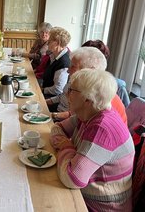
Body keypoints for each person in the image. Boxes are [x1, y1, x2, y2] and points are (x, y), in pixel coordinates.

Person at [50, 69, 134, 211]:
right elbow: (56, 129)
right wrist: (69, 150)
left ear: (87, 99)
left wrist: (66, 146)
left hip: (99, 208)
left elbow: (71, 179)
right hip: (82, 197)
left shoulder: (102, 128)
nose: (66, 93)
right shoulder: (87, 114)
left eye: (71, 90)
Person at [42, 27, 71, 98]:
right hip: (45, 91)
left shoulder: (64, 62)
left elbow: (58, 89)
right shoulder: (53, 55)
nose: (47, 43)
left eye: (50, 40)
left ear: (58, 43)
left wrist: (42, 90)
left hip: (52, 99)